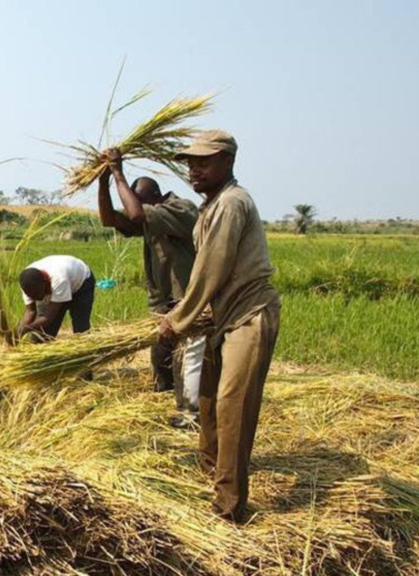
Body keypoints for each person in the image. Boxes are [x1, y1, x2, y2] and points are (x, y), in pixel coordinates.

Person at [159, 130, 281, 522]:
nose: (193, 170)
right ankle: (210, 477)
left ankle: (229, 508)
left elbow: (212, 269)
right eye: (190, 163)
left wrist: (178, 320)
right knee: (208, 403)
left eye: (203, 162)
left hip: (249, 316)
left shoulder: (231, 203)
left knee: (233, 407)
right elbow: (206, 272)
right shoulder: (210, 207)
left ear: (227, 162)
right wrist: (198, 314)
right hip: (222, 317)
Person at [97, 148, 205, 428]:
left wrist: (118, 172)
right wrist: (102, 180)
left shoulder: (181, 209)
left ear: (154, 198)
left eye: (141, 203)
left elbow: (134, 214)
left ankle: (190, 414)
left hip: (188, 299)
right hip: (163, 301)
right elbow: (110, 219)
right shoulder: (149, 214)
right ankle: (167, 400)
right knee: (161, 356)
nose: (138, 209)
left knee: (188, 357)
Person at [17, 255, 95, 340]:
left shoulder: (59, 279)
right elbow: (30, 312)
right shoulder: (27, 283)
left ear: (45, 283)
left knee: (81, 328)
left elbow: (48, 317)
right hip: (60, 282)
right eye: (32, 296)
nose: (35, 299)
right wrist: (18, 333)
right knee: (42, 336)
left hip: (81, 285)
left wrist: (26, 329)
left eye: (37, 295)